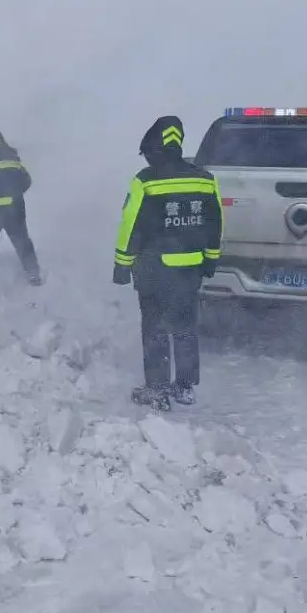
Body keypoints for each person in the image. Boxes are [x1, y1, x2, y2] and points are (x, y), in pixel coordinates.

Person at [112, 115, 223, 411]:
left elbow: (130, 224)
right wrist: (211, 259)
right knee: (185, 327)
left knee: (155, 328)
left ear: (154, 149)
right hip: (190, 269)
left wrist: (122, 263)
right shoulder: (205, 179)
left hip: (154, 268)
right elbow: (215, 224)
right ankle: (185, 387)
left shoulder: (145, 181)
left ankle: (157, 389)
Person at [0, 130, 42, 285]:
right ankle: (33, 273)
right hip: (15, 209)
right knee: (22, 240)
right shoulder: (14, 157)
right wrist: (15, 192)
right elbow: (27, 182)